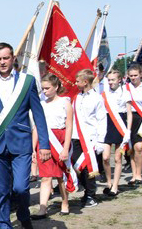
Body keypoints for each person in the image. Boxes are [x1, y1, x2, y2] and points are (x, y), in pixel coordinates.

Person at [0, 42, 50, 229]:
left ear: (13, 58)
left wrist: (43, 144)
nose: (2, 62)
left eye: (5, 58)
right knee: (1, 192)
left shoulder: (27, 82)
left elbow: (38, 114)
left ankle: (24, 218)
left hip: (21, 144)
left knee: (20, 187)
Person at [31, 74, 73, 218]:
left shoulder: (65, 103)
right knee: (46, 176)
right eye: (43, 88)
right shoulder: (41, 105)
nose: (45, 91)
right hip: (44, 142)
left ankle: (65, 202)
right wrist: (33, 149)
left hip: (60, 140)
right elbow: (36, 127)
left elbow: (69, 126)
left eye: (48, 88)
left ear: (56, 87)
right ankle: (43, 208)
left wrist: (66, 148)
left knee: (60, 176)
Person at [71, 69, 107, 207]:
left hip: (90, 138)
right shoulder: (77, 97)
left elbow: (101, 120)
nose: (76, 83)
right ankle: (86, 190)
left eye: (78, 81)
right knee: (76, 165)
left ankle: (91, 194)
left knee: (88, 168)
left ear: (85, 82)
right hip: (76, 136)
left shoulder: (97, 98)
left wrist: (100, 140)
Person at [100, 69, 132, 195]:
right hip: (107, 123)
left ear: (120, 80)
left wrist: (128, 130)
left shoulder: (125, 93)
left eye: (113, 80)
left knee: (118, 158)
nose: (110, 82)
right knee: (106, 157)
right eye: (109, 80)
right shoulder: (104, 93)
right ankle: (109, 182)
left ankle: (115, 186)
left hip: (120, 124)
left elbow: (129, 113)